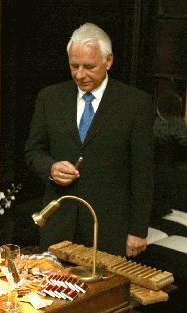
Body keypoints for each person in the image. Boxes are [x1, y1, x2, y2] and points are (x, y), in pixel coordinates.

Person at [23, 23, 154, 257]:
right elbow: (33, 151)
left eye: (89, 67)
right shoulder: (49, 98)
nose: (80, 75)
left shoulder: (136, 104)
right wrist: (51, 168)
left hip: (109, 231)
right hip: (58, 226)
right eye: (74, 66)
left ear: (109, 61)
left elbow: (143, 172)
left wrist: (138, 230)